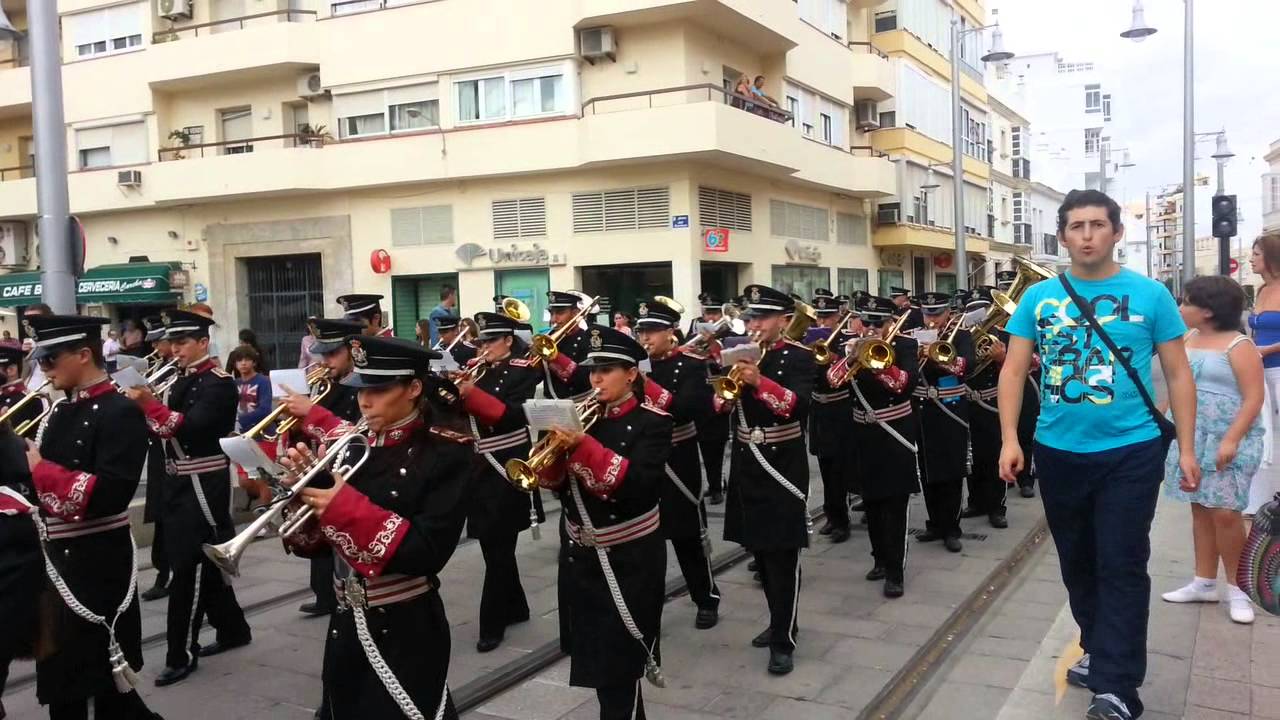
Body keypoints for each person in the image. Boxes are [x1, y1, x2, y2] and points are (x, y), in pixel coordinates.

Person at [998, 189, 1199, 720]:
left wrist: (1188, 448)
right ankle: (1097, 646)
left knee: (1122, 564)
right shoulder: (1038, 299)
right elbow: (1013, 371)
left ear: (1115, 232)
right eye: (1077, 226)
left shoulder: (1151, 294)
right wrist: (1010, 439)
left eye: (1097, 224)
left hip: (1130, 452)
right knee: (1078, 562)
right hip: (1058, 451)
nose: (1087, 234)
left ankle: (1117, 687)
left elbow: (1179, 373)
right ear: (1062, 235)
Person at [281, 336, 472, 720]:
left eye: (379, 388)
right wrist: (304, 503)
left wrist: (340, 507)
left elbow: (427, 551)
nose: (364, 401)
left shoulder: (447, 450)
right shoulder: (351, 446)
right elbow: (318, 546)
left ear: (414, 388)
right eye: (361, 388)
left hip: (407, 623)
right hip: (346, 617)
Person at [18, 314, 162, 719]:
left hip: (97, 564)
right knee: (63, 683)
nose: (42, 370)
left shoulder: (119, 411)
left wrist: (40, 470)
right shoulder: (58, 412)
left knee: (100, 682)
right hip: (55, 564)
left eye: (49, 360)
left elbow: (112, 494)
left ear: (83, 354)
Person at [534, 326, 670, 720]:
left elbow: (640, 487)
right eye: (593, 370)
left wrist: (582, 445)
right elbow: (559, 486)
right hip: (580, 558)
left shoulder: (653, 422)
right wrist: (553, 451)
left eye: (607, 370)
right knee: (598, 663)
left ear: (631, 374)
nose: (595, 379)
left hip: (630, 559)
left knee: (619, 664)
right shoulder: (578, 414)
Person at [126, 310, 252, 687]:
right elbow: (156, 431)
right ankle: (233, 630)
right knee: (209, 563)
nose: (174, 350)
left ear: (202, 343)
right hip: (176, 483)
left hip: (202, 484)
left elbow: (187, 427)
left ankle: (180, 652)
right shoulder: (178, 379)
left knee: (188, 569)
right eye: (173, 343)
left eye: (182, 343)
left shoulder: (218, 383)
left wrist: (149, 402)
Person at [716, 284, 815, 675]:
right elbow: (721, 406)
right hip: (746, 464)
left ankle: (783, 637)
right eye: (751, 317)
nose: (754, 324)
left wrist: (759, 381)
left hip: (782, 465)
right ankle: (778, 620)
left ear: (784, 321)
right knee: (759, 552)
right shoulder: (738, 356)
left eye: (762, 318)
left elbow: (796, 407)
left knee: (782, 555)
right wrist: (723, 392)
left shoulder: (798, 357)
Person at [1159, 276, 1264, 625]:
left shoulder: (1239, 345)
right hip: (1190, 435)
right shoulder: (1187, 339)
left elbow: (1253, 398)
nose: (1180, 308)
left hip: (1226, 438)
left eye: (1186, 302)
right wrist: (1159, 416)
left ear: (1207, 310)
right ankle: (1204, 581)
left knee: (1225, 513)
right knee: (1200, 508)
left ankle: (1238, 588)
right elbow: (1177, 385)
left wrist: (1232, 439)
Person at [452, 311, 544, 651]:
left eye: (491, 340)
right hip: (479, 469)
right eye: (482, 341)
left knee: (498, 544)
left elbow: (511, 415)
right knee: (496, 547)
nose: (485, 347)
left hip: (507, 465)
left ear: (507, 340)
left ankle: (492, 622)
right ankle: (516, 606)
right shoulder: (477, 369)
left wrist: (470, 392)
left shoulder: (523, 370)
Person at [634, 297, 721, 629]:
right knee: (646, 539)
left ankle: (706, 597)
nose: (646, 339)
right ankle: (646, 603)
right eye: (642, 332)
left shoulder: (690, 363)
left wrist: (646, 385)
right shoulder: (634, 363)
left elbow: (686, 410)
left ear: (670, 332)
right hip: (642, 456)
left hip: (678, 456)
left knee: (688, 536)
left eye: (652, 332)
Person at [831, 294, 921, 598]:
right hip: (863, 435)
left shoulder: (906, 345)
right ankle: (880, 559)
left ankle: (896, 571)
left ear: (891, 323)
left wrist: (876, 362)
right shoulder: (850, 346)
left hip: (894, 432)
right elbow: (833, 380)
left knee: (895, 504)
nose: (870, 327)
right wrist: (852, 358)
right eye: (866, 321)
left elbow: (904, 386)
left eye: (878, 322)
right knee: (871, 501)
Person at [278, 317, 365, 620]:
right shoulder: (323, 384)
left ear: (353, 350)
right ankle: (325, 594)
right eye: (322, 354)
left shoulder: (365, 386)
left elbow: (359, 434)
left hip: (350, 476)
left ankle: (342, 596)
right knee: (319, 535)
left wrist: (312, 414)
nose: (324, 361)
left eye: (332, 354)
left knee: (341, 540)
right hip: (317, 468)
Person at [912, 291, 973, 554]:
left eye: (937, 313)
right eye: (928, 313)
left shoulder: (961, 335)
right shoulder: (913, 334)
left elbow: (968, 365)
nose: (932, 319)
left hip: (950, 409)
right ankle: (935, 523)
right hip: (923, 409)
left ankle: (952, 528)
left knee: (951, 470)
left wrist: (939, 356)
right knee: (927, 470)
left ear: (948, 312)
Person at [961, 286, 1014, 530]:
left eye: (980, 309)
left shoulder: (1003, 336)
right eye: (971, 309)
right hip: (966, 401)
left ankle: (997, 507)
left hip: (992, 402)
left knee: (994, 454)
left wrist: (1001, 358)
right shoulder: (959, 336)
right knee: (972, 456)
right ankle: (976, 501)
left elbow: (1023, 370)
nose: (977, 314)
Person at [807, 290, 856, 543]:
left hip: (840, 410)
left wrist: (838, 358)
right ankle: (830, 514)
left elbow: (851, 377)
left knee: (839, 468)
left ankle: (842, 521)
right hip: (819, 410)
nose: (823, 322)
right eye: (820, 317)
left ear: (839, 316)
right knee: (825, 466)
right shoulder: (809, 341)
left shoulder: (847, 341)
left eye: (828, 317)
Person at [139, 315, 177, 603]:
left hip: (174, 448)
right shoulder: (155, 368)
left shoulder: (177, 372)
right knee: (159, 513)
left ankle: (170, 571)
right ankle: (162, 569)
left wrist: (151, 399)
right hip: (156, 446)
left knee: (170, 513)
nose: (156, 346)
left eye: (159, 341)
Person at [688, 294, 737, 505]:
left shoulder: (730, 338)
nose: (711, 318)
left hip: (718, 398)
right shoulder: (692, 336)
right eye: (708, 313)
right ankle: (712, 483)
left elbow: (727, 364)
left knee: (715, 447)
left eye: (715, 314)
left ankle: (717, 486)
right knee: (702, 448)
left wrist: (713, 345)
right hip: (697, 400)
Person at [541, 290, 609, 402]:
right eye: (552, 313)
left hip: (580, 402)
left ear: (575, 313)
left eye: (559, 313)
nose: (553, 319)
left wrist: (556, 357)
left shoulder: (588, 339)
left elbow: (585, 379)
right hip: (551, 403)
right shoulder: (548, 339)